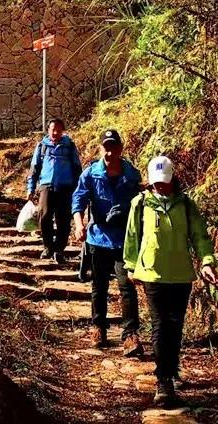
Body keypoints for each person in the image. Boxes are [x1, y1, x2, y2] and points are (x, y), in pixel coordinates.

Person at [124, 156, 218, 407]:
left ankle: (172, 368)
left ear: (172, 178)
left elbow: (199, 236)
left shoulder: (185, 204)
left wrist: (207, 261)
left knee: (175, 325)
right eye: (156, 182)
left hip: (180, 274)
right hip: (152, 273)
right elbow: (132, 235)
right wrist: (130, 265)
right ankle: (163, 380)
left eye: (164, 181)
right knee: (160, 324)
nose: (160, 186)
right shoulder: (140, 203)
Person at [72, 129, 143, 355]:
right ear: (100, 149)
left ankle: (130, 334)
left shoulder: (131, 175)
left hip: (124, 240)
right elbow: (78, 200)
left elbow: (140, 204)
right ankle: (99, 327)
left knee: (127, 286)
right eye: (106, 147)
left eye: (114, 147)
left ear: (120, 148)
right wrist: (79, 225)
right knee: (99, 286)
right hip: (98, 237)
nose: (110, 152)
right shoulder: (91, 174)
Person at [26, 118, 82, 264]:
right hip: (46, 186)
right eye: (53, 129)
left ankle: (59, 250)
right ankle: (48, 247)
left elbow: (77, 168)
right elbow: (34, 169)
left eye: (58, 130)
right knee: (44, 217)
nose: (55, 132)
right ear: (48, 130)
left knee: (63, 220)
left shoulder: (69, 146)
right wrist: (30, 188)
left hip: (66, 188)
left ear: (62, 131)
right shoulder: (42, 146)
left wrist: (79, 190)